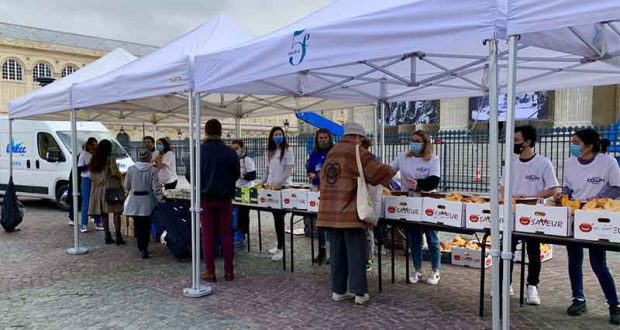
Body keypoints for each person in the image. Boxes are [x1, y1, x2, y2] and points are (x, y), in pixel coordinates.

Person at [317, 121, 395, 306]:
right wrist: (394, 168)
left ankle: (338, 290)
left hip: (330, 211)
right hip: (351, 211)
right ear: (359, 137)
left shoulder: (332, 152)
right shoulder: (357, 152)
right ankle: (359, 293)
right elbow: (378, 173)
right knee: (356, 253)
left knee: (337, 253)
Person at [560, 128, 620, 324]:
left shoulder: (607, 162)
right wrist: (563, 196)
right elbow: (567, 187)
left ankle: (614, 304)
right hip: (574, 215)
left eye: (576, 143)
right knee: (574, 259)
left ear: (590, 146)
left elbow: (616, 186)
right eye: (572, 142)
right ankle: (578, 298)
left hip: (596, 218)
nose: (573, 146)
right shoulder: (569, 164)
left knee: (598, 263)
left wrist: (601, 198)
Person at [499, 125, 560, 304]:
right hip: (512, 212)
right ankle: (505, 284)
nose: (514, 144)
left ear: (528, 142)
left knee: (533, 252)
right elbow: (502, 185)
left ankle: (532, 286)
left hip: (534, 214)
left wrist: (534, 197)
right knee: (506, 249)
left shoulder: (543, 163)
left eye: (517, 140)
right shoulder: (511, 163)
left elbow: (553, 188)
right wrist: (508, 196)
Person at [390, 130, 442, 285]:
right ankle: (417, 269)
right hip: (409, 200)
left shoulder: (433, 159)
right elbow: (390, 171)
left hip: (427, 200)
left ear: (425, 143)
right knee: (414, 237)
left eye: (417, 141)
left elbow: (434, 181)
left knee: (432, 237)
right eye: (412, 140)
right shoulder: (403, 157)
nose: (414, 143)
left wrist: (419, 184)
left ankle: (436, 270)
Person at [191, 119, 240, 282]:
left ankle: (210, 271)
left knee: (207, 235)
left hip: (205, 198)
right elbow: (235, 175)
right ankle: (229, 271)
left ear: (205, 132)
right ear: (220, 132)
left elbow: (190, 175)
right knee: (227, 234)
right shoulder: (230, 152)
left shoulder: (198, 151)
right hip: (225, 198)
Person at [258, 127, 294, 262]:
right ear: (271, 137)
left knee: (279, 218)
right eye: (276, 134)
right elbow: (267, 171)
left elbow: (288, 170)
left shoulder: (288, 150)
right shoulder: (269, 151)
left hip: (282, 188)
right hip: (271, 189)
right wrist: (261, 183)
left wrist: (278, 183)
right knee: (276, 218)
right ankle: (279, 244)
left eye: (280, 134)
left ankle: (280, 248)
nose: (278, 136)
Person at [124, 149, 164, 259]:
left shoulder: (131, 169)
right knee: (147, 226)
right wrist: (161, 199)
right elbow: (156, 188)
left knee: (138, 225)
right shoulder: (153, 170)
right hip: (148, 201)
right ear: (149, 157)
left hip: (135, 201)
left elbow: (126, 186)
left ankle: (141, 247)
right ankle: (144, 248)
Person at [88, 139, 126, 245]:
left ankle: (107, 236)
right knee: (117, 212)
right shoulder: (110, 158)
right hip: (111, 189)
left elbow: (91, 175)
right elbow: (114, 172)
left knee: (104, 214)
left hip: (98, 190)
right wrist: (121, 175)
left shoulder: (94, 159)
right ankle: (118, 236)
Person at [306, 128, 334, 264]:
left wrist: (318, 175)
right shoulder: (313, 154)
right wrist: (311, 174)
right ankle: (322, 251)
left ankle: (332, 252)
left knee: (330, 223)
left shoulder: (333, 153)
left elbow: (332, 170)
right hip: (316, 189)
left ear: (329, 138)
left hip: (329, 189)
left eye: (325, 138)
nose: (323, 140)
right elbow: (309, 168)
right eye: (320, 138)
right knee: (319, 223)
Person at [231, 140, 256, 243]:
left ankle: (242, 233)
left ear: (242, 148)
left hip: (246, 190)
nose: (235, 150)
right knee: (235, 212)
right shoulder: (232, 160)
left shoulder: (247, 160)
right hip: (235, 189)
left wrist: (242, 176)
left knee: (243, 212)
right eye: (232, 149)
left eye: (236, 148)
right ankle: (235, 231)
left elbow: (253, 175)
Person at [77, 137, 102, 233]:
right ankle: (84, 223)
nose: (95, 147)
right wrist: (89, 165)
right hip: (86, 179)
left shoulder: (96, 155)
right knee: (86, 202)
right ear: (89, 146)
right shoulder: (84, 155)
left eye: (96, 145)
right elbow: (79, 168)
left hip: (95, 179)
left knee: (96, 201)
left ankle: (97, 221)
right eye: (93, 145)